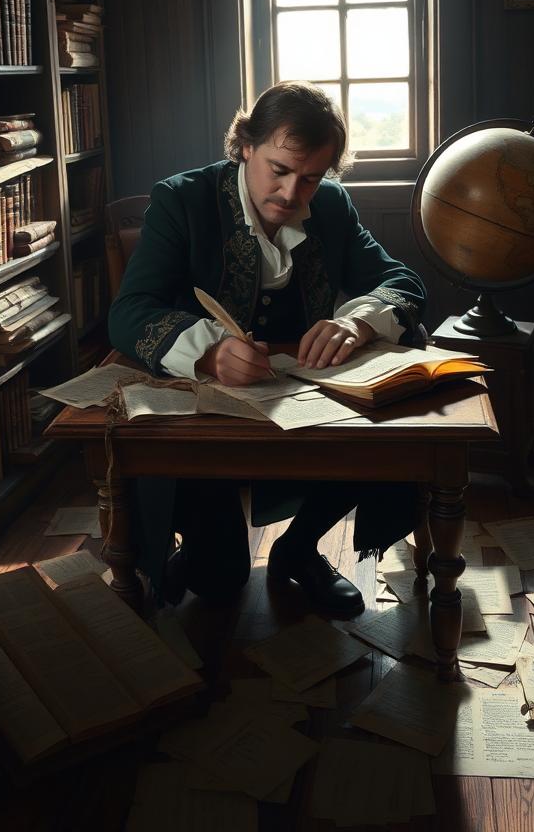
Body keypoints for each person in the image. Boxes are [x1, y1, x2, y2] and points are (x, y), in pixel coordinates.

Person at [108, 81, 426, 617]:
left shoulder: (330, 207)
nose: (290, 192)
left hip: (304, 410)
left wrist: (359, 326)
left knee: (385, 422)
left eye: (310, 178)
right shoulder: (180, 200)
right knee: (219, 580)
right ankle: (203, 556)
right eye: (278, 169)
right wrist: (207, 352)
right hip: (205, 423)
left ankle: (299, 548)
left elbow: (401, 281)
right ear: (246, 145)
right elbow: (129, 311)